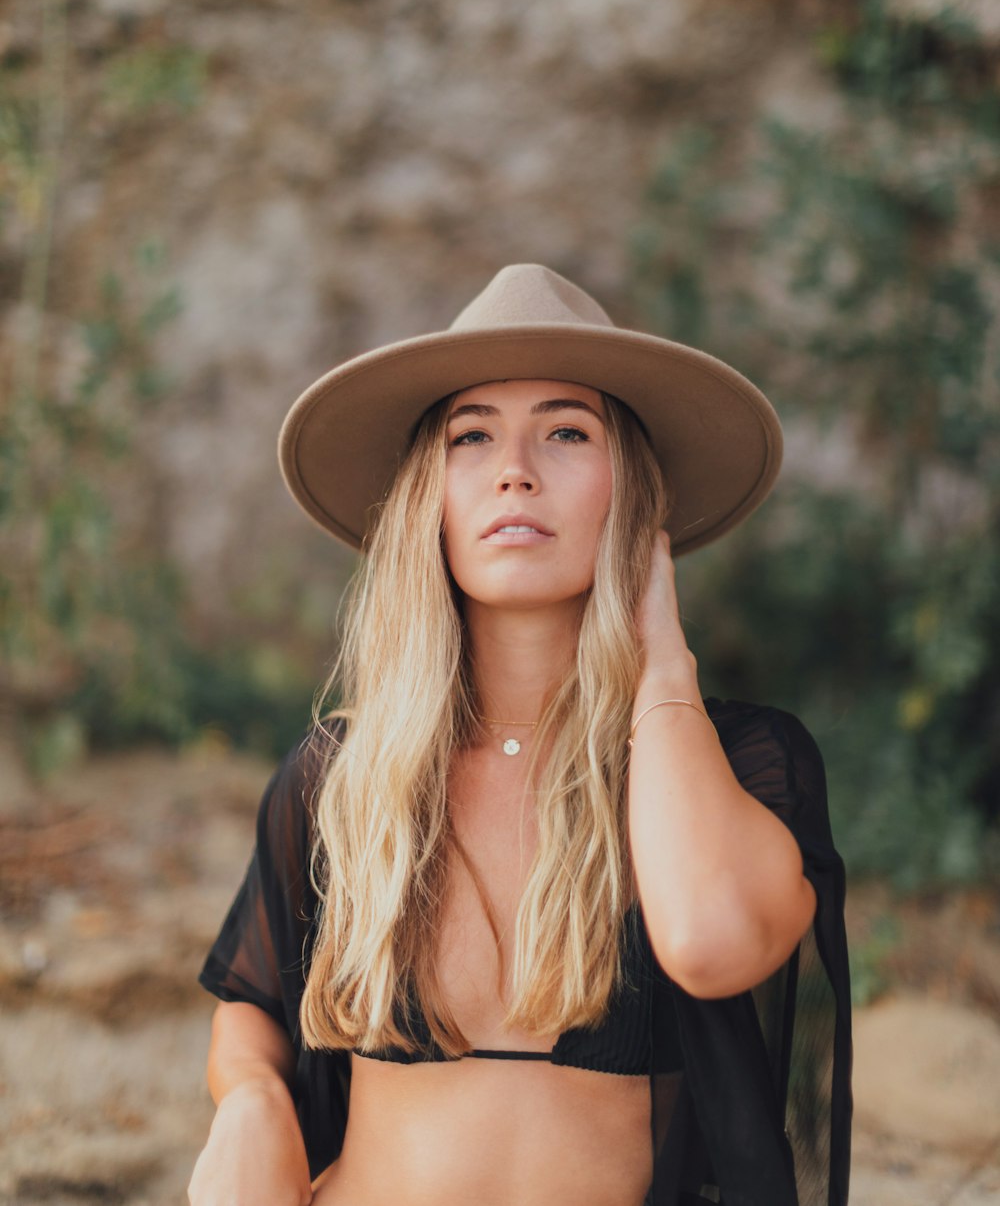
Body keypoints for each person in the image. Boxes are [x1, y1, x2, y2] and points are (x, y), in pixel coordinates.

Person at [188, 263, 852, 1206]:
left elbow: (712, 941)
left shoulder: (741, 764)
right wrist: (251, 1101)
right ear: (430, 498)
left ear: (634, 493)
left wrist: (660, 662)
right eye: (472, 436)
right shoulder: (342, 774)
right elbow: (251, 1006)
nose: (515, 469)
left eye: (567, 431)